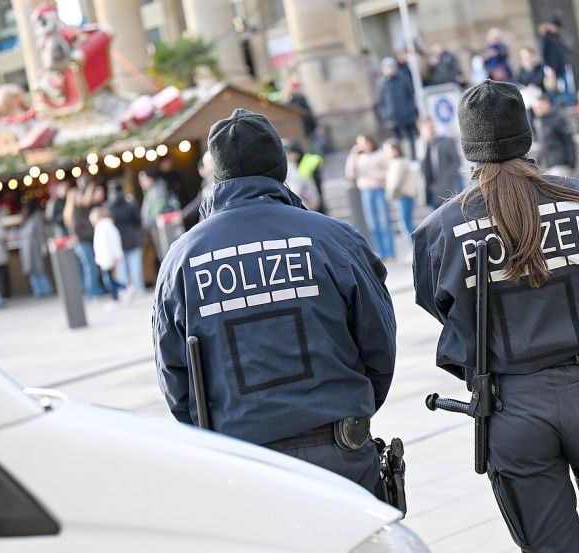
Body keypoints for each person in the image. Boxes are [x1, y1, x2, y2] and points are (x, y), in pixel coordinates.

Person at [412, 80, 579, 553]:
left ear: (470, 148)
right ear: (525, 135)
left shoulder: (440, 230)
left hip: (513, 405)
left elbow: (440, 307)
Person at [153, 108, 396, 493]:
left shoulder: (182, 259)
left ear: (218, 177)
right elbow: (378, 341)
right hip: (339, 450)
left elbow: (174, 377)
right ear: (279, 169)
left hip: (247, 466)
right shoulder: (334, 239)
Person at [345, 134, 395, 261]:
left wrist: (375, 175)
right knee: (372, 224)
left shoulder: (379, 154)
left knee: (384, 222)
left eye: (364, 142)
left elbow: (389, 171)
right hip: (366, 191)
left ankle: (390, 253)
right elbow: (350, 173)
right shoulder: (358, 157)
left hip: (379, 188)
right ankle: (379, 253)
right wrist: (352, 155)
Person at [63, 185, 105, 297]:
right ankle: (92, 290)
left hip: (86, 241)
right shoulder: (74, 213)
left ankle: (94, 289)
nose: (82, 198)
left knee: (91, 267)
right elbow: (78, 231)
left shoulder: (83, 209)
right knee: (90, 267)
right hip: (82, 242)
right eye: (79, 196)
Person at [376, 57, 419, 159]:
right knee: (397, 141)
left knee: (411, 139)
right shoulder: (383, 83)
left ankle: (414, 158)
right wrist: (385, 115)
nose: (390, 70)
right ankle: (401, 157)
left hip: (407, 114)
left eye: (391, 67)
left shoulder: (403, 78)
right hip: (393, 116)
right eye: (387, 68)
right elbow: (381, 102)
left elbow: (410, 95)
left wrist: (410, 109)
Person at [107, 181, 145, 297]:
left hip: (118, 241)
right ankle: (139, 291)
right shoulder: (130, 204)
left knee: (121, 270)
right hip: (132, 238)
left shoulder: (108, 207)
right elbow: (138, 221)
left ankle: (123, 292)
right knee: (135, 269)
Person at [416, 117, 463, 208]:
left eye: (432, 126)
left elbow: (456, 161)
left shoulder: (446, 141)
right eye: (428, 128)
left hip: (447, 189)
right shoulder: (421, 146)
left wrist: (447, 178)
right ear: (421, 130)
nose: (431, 129)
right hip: (430, 192)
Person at [383, 138, 419, 245]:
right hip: (402, 197)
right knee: (406, 223)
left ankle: (414, 248)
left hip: (404, 196)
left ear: (395, 150)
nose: (386, 153)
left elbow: (395, 183)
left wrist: (389, 195)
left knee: (406, 224)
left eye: (387, 150)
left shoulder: (399, 163)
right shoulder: (398, 162)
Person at [530, 94, 576, 177]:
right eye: (535, 108)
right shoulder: (537, 122)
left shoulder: (558, 118)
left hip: (560, 164)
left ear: (547, 104)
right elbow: (541, 145)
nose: (537, 110)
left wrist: (571, 162)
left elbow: (568, 141)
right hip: (545, 166)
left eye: (539, 107)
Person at [18, 199, 55, 298]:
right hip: (30, 248)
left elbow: (39, 233)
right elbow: (38, 233)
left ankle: (43, 290)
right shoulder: (30, 218)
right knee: (34, 271)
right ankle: (41, 290)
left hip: (31, 247)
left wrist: (43, 245)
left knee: (37, 270)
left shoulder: (32, 217)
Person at [90, 206, 123, 302]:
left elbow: (113, 242)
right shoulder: (101, 227)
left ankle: (121, 291)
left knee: (110, 280)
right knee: (109, 280)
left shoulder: (105, 226)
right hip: (104, 258)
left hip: (109, 257)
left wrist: (116, 256)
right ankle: (117, 294)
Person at [286, 141, 326, 214]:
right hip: (312, 193)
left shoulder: (302, 164)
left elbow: (305, 182)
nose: (289, 156)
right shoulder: (305, 160)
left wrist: (315, 198)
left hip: (313, 193)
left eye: (290, 153)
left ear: (296, 153)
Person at [539, 19, 573, 103]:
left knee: (566, 85)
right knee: (552, 87)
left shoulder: (556, 37)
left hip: (561, 65)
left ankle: (569, 102)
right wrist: (548, 66)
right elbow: (543, 53)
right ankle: (552, 103)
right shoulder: (545, 38)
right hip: (552, 67)